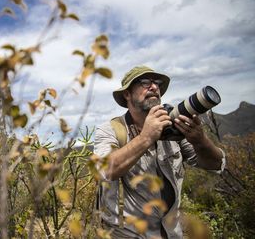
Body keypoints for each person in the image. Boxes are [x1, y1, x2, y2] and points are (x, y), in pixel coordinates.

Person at [94, 65, 225, 238]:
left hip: (171, 233)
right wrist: (146, 137)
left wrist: (200, 141)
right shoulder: (110, 130)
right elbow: (104, 170)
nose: (154, 87)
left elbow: (216, 164)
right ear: (127, 94)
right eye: (145, 82)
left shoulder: (172, 128)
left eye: (157, 83)